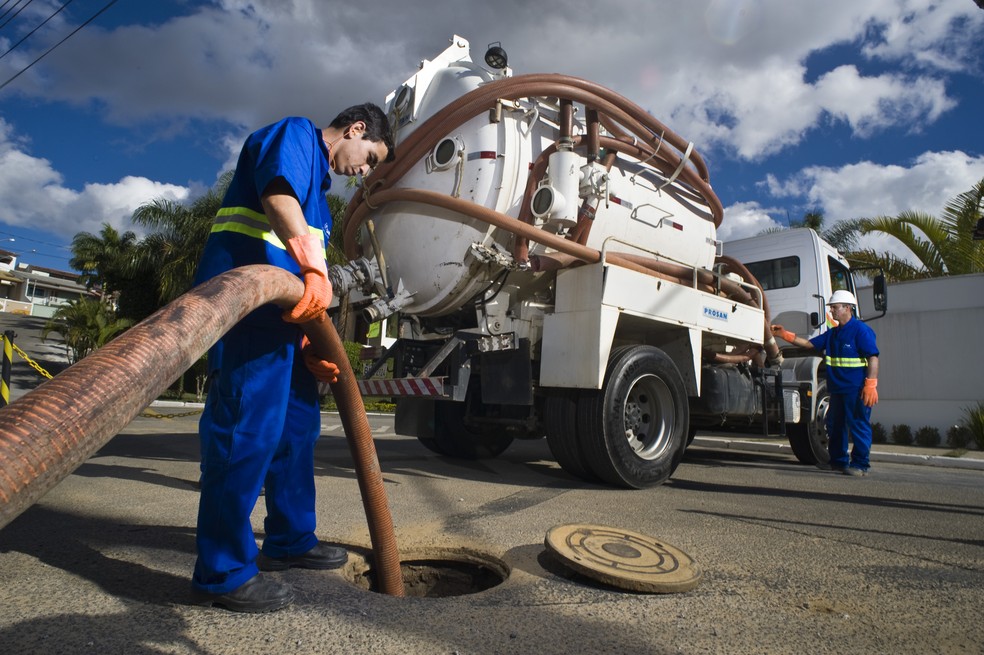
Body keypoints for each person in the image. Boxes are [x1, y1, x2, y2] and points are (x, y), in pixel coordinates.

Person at [189, 104, 395, 613]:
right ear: (355, 129)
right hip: (245, 308)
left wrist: (310, 343)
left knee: (297, 431)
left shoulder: (320, 201)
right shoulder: (295, 137)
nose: (363, 172)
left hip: (287, 327)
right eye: (369, 158)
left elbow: (306, 280)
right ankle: (223, 571)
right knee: (244, 433)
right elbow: (277, 197)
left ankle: (289, 539)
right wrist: (315, 270)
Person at [771, 289, 879, 477]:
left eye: (835, 307)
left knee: (858, 425)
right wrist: (785, 335)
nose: (832, 312)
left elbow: (873, 358)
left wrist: (871, 384)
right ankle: (837, 462)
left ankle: (861, 465)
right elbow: (809, 345)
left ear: (847, 308)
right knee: (835, 425)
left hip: (856, 390)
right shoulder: (833, 334)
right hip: (836, 389)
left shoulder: (861, 331)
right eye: (831, 308)